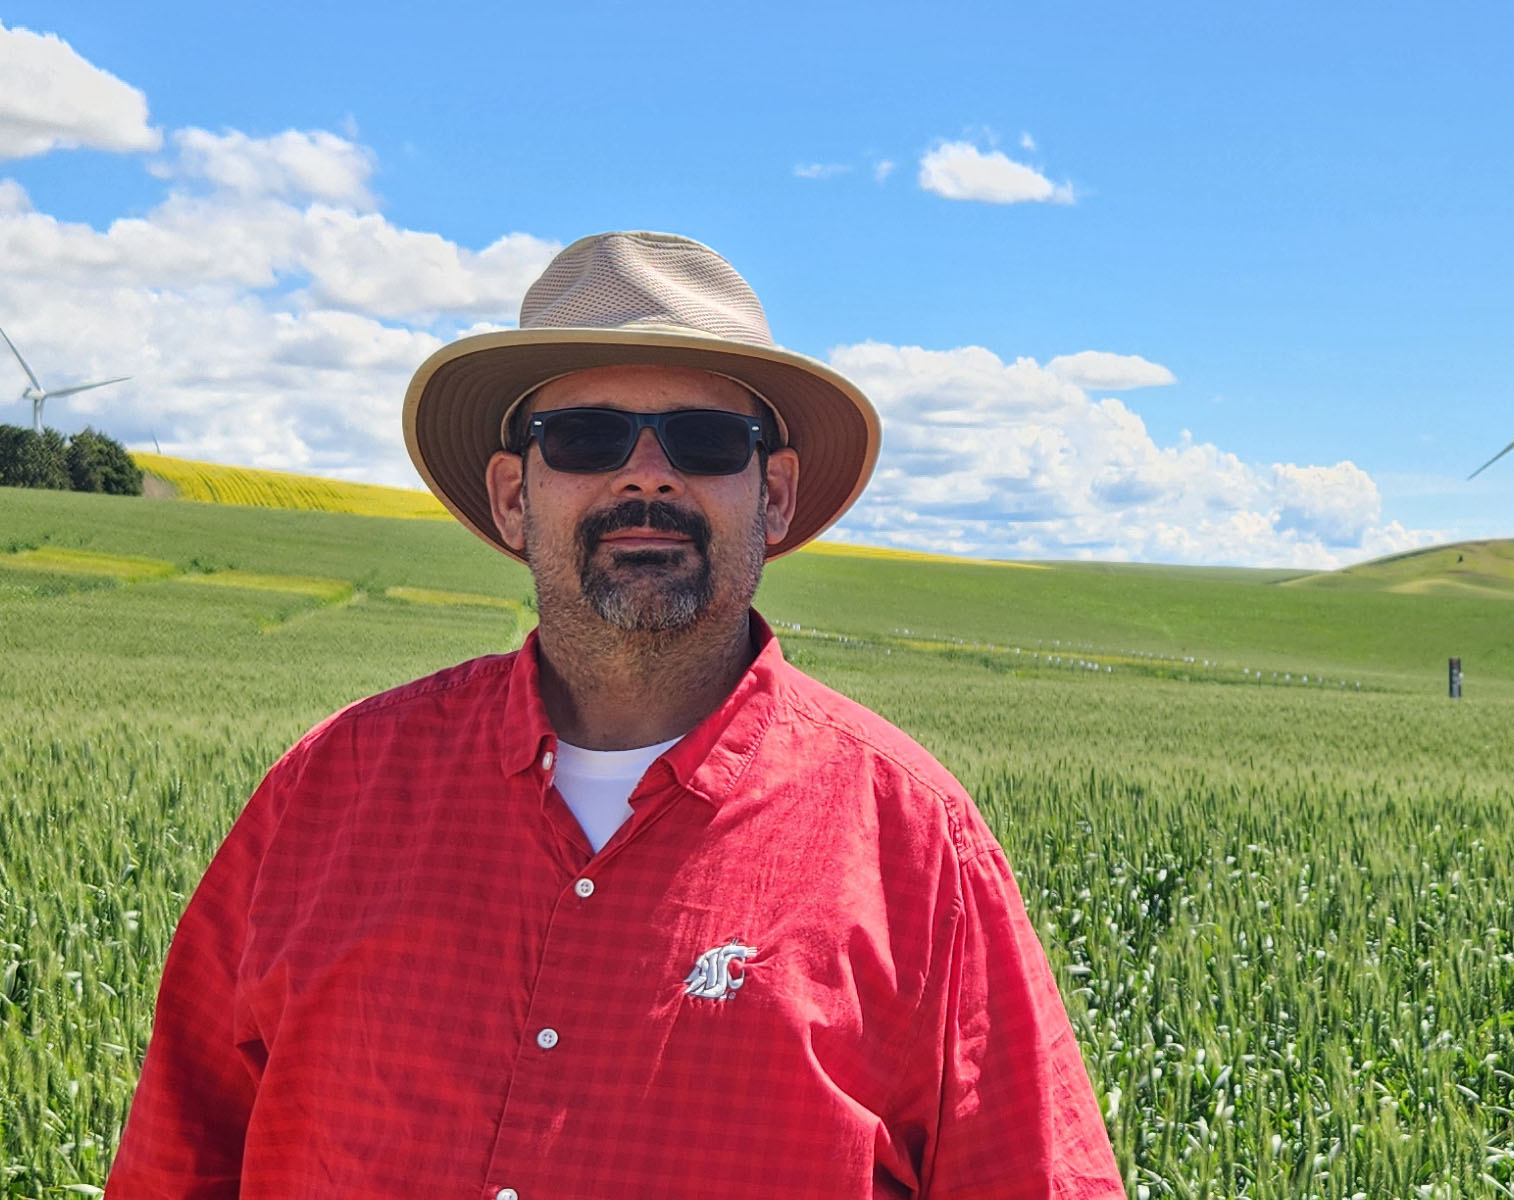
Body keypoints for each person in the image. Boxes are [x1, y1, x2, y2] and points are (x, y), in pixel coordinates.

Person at [107, 232, 1124, 1197]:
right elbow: (175, 1161)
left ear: (771, 496)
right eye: (587, 437)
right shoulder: (324, 793)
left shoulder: (914, 846)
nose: (647, 473)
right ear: (512, 496)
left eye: (705, 440)